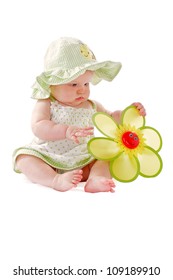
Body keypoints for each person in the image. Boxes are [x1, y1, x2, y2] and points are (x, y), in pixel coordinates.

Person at [13, 37, 146, 193]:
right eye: (74, 84)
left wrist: (129, 113)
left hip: (83, 158)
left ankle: (95, 179)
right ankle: (55, 179)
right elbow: (38, 126)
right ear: (52, 83)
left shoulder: (92, 105)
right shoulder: (47, 102)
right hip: (49, 155)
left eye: (86, 84)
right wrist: (65, 130)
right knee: (24, 158)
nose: (82, 90)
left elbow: (111, 119)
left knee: (106, 157)